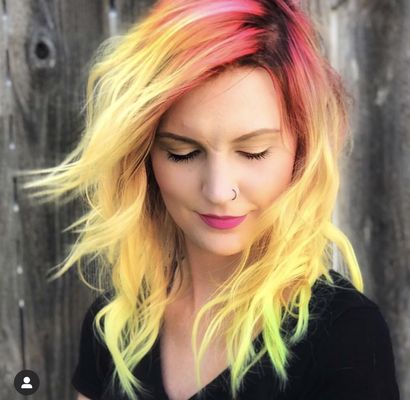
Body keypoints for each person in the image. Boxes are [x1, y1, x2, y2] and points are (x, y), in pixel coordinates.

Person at [21, 0, 400, 399]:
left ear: (301, 151)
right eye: (183, 153)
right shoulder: (113, 327)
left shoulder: (346, 338)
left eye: (253, 152)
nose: (219, 191)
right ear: (144, 157)